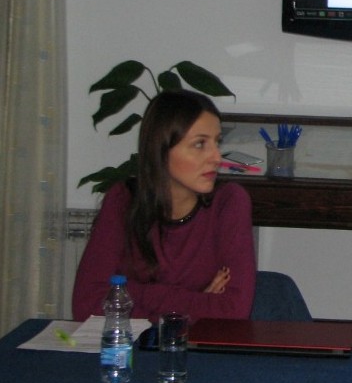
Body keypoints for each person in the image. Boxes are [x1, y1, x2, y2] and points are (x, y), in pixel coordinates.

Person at [72, 90, 256, 323]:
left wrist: (129, 292)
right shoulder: (123, 200)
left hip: (197, 345)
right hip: (133, 344)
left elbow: (234, 310)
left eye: (217, 142)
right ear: (161, 149)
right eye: (200, 144)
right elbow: (86, 304)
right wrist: (196, 303)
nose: (216, 157)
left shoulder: (228, 202)